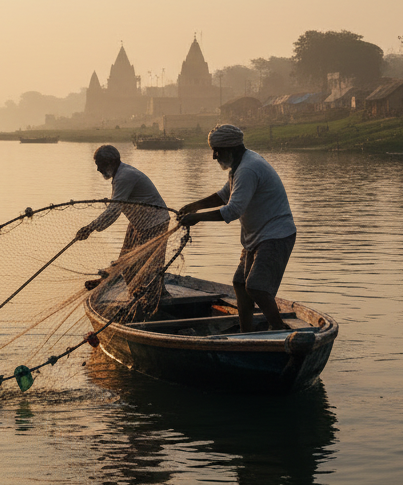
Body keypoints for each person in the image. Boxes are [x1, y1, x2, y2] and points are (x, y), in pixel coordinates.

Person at [177, 124, 296, 332]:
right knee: (240, 285)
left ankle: (280, 331)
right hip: (257, 237)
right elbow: (225, 195)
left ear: (230, 148)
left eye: (217, 151)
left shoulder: (248, 168)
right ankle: (246, 333)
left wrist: (197, 218)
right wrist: (194, 206)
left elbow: (232, 210)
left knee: (256, 287)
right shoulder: (240, 166)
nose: (214, 156)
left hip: (276, 235)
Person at [76, 144, 170, 310]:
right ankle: (129, 293)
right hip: (138, 222)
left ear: (111, 162)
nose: (98, 169)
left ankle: (152, 300)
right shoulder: (121, 174)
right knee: (125, 260)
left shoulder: (124, 176)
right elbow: (118, 203)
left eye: (100, 164)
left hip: (154, 223)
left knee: (145, 266)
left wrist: (90, 228)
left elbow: (114, 210)